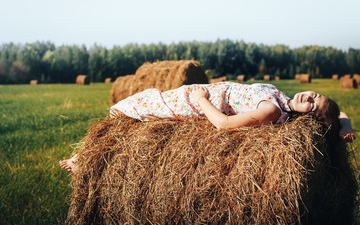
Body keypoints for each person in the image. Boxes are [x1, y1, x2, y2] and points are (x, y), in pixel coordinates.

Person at [60, 82, 355, 172]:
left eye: (312, 106)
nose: (309, 99)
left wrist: (200, 100)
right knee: (131, 107)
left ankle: (82, 159)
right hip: (203, 93)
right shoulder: (284, 98)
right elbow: (337, 111)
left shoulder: (272, 110)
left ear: (308, 119)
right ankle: (85, 157)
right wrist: (344, 127)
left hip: (194, 103)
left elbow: (224, 125)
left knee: (124, 112)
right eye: (315, 96)